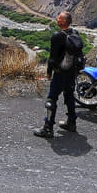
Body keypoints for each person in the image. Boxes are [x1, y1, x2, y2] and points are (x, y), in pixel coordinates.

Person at [33, 10, 83, 138]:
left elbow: (52, 58)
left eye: (59, 18)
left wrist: (49, 73)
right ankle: (71, 123)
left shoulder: (57, 36)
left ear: (64, 21)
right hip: (72, 72)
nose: (57, 19)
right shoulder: (75, 33)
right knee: (69, 96)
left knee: (52, 99)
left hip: (60, 73)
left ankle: (48, 128)